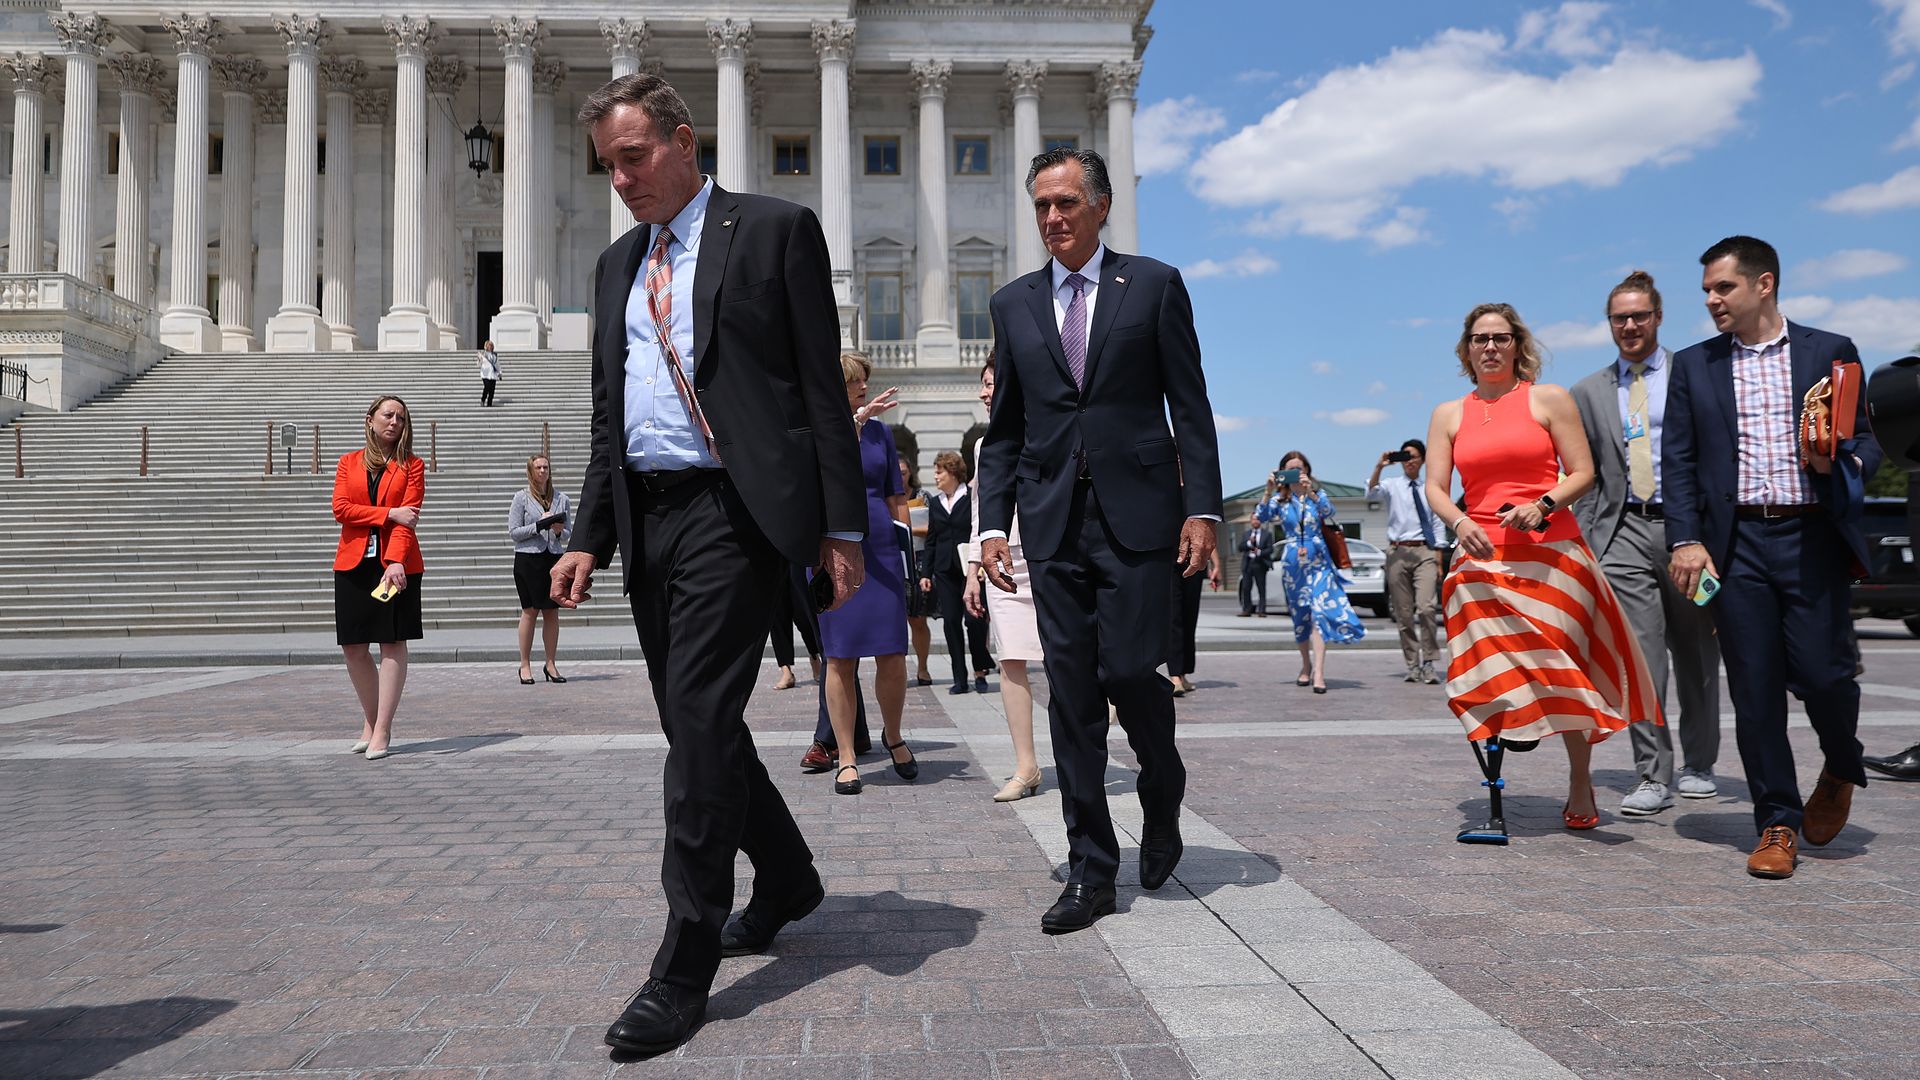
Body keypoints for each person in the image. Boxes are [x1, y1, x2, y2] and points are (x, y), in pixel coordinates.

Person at [551, 73, 866, 1055]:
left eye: (635, 156)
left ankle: (683, 963)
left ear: (685, 142)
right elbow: (612, 417)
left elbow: (819, 384)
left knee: (693, 728)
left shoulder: (772, 230)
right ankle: (786, 874)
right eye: (608, 165)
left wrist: (841, 527)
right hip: (650, 517)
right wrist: (588, 534)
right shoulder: (614, 267)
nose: (622, 178)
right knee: (699, 722)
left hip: (738, 510)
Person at [978, 146, 1222, 935]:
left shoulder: (1151, 285)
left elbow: (1190, 404)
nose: (1052, 219)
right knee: (1073, 695)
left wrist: (1202, 507)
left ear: (1101, 206)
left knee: (1128, 670)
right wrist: (990, 523)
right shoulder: (1012, 304)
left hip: (1141, 517)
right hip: (1050, 522)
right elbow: (1006, 427)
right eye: (1042, 205)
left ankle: (1162, 785)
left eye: (1066, 204)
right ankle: (1090, 870)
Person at [1664, 235, 1881, 880]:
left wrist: (1837, 458)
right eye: (1706, 290)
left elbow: (1867, 443)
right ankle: (1777, 822)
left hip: (1812, 540)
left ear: (1764, 284)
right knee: (1756, 694)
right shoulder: (1695, 365)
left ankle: (1843, 763)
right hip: (1735, 548)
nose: (1710, 300)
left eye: (1722, 287)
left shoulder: (1829, 351)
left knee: (1826, 677)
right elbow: (1677, 461)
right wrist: (1686, 538)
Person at [1426, 302, 1657, 840]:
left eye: (1500, 338)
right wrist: (1459, 522)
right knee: (1481, 667)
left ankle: (1581, 779)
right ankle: (1510, 736)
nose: (1490, 347)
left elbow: (1585, 472)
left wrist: (1544, 503)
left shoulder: (1547, 399)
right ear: (1466, 349)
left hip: (1553, 554)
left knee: (1563, 667)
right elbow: (1436, 487)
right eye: (1480, 339)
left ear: (1517, 345)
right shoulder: (1449, 413)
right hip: (1482, 557)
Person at [1569, 270, 1723, 817]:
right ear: (1609, 324)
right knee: (1641, 659)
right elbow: (1582, 472)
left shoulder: (1697, 372)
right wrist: (1591, 540)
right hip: (1623, 532)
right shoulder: (1587, 391)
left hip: (1689, 532)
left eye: (1640, 315)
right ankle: (1652, 772)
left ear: (1658, 317)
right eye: (1620, 318)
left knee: (1697, 652)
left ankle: (1700, 764)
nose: (1630, 325)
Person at [813, 350, 917, 794]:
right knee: (840, 656)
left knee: (892, 653)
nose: (865, 387)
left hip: (882, 550)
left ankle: (892, 735)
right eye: (857, 380)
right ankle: (847, 756)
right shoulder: (820, 429)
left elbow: (897, 495)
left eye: (865, 380)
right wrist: (853, 424)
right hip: (834, 547)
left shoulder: (882, 432)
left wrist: (911, 555)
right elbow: (825, 470)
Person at [963, 358, 1045, 802]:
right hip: (1003, 563)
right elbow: (982, 512)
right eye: (983, 385)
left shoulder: (1048, 429)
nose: (983, 393)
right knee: (1010, 660)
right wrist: (973, 570)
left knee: (1064, 661)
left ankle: (1076, 757)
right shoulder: (982, 446)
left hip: (1050, 558)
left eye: (990, 384)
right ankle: (1026, 766)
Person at [331, 394, 425, 762]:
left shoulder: (412, 466)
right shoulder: (347, 463)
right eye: (388, 415)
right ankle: (371, 722)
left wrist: (395, 561)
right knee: (353, 646)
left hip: (396, 564)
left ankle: (382, 728)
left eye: (401, 417)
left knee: (391, 642)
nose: (395, 423)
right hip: (353, 561)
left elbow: (410, 519)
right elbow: (341, 509)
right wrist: (388, 514)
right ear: (370, 419)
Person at [1259, 452, 1364, 694]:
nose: (1296, 473)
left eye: (1300, 468)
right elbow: (1262, 516)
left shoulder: (1318, 496)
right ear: (1282, 473)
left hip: (1319, 561)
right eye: (1291, 469)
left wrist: (1312, 493)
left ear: (1308, 471)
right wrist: (1268, 490)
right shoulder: (1280, 500)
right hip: (1294, 563)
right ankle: (1305, 665)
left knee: (1319, 613)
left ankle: (1319, 671)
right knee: (1301, 618)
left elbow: (1329, 512)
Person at [1366, 439, 1445, 684]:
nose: (1410, 461)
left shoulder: (1430, 488)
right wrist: (1380, 466)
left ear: (1422, 460)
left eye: (1414, 456)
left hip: (1424, 551)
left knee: (1427, 607)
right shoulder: (1391, 486)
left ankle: (1429, 662)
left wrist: (1438, 558)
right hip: (1397, 552)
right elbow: (1370, 492)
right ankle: (1412, 665)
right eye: (1405, 456)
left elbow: (1437, 522)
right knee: (1403, 613)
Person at [921, 449, 995, 694]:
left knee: (974, 621)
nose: (936, 475)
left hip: (971, 570)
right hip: (944, 571)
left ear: (953, 472)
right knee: (951, 622)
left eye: (939, 471)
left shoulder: (972, 497)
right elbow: (931, 540)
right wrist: (925, 574)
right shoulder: (934, 502)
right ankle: (959, 678)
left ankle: (980, 670)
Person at [507, 454, 572, 684]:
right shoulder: (521, 498)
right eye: (538, 467)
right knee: (530, 610)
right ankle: (524, 664)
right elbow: (514, 532)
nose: (543, 471)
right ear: (531, 471)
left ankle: (551, 663)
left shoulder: (562, 498)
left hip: (553, 559)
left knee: (552, 612)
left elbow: (568, 533)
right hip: (528, 560)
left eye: (546, 467)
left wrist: (556, 529)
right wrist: (538, 526)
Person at [1166, 544, 1223, 696]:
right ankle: (1175, 675)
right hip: (1168, 561)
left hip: (1194, 560)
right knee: (1174, 617)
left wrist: (1216, 564)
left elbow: (1206, 528)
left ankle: (1183, 673)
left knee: (1190, 618)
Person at [900, 454, 936, 686]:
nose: (900, 476)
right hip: (895, 561)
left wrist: (908, 529)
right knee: (895, 620)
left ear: (910, 472)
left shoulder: (923, 497)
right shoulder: (886, 497)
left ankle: (922, 667)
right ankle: (897, 670)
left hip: (920, 562)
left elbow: (935, 528)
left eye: (903, 472)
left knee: (918, 619)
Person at [767, 565, 822, 691]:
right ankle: (786, 671)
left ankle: (814, 656)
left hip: (795, 555)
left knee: (803, 613)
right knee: (777, 614)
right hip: (770, 554)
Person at [1236, 512, 1273, 618]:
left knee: (1261, 588)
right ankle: (1246, 609)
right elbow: (1240, 547)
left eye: (1257, 519)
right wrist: (1248, 543)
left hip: (1260, 563)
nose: (1255, 521)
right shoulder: (1246, 534)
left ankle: (1262, 610)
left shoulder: (1267, 534)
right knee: (1246, 587)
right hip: (1248, 564)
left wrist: (1260, 552)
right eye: (1254, 519)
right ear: (1250, 521)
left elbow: (1270, 549)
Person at [477, 340, 500, 407]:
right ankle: (483, 399)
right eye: (489, 345)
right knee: (487, 387)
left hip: (493, 375)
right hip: (485, 375)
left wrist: (500, 372)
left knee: (492, 390)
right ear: (486, 346)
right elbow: (478, 365)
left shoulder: (494, 355)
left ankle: (489, 403)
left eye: (491, 345)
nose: (490, 347)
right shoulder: (483, 354)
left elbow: (497, 365)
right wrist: (479, 359)